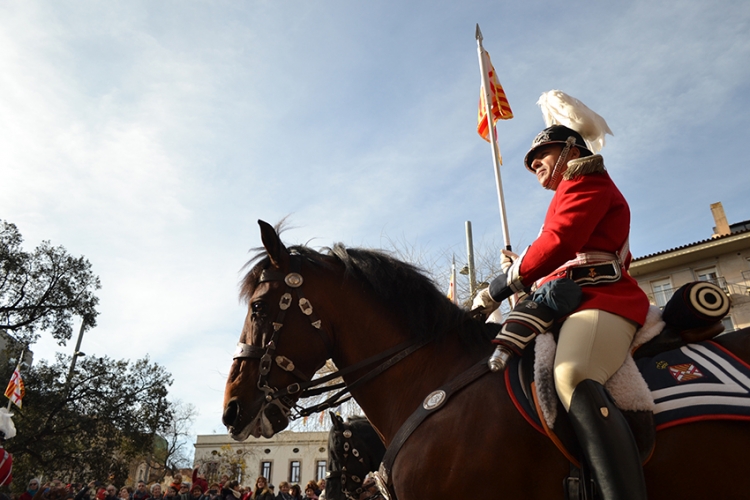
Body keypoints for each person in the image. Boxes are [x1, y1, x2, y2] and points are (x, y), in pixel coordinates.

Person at [474, 93, 650, 500]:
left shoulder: (587, 178)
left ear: (571, 148)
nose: (533, 162)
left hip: (604, 300)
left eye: (542, 153)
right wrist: (523, 265)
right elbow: (560, 253)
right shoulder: (566, 193)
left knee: (573, 375)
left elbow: (560, 241)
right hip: (567, 302)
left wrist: (501, 285)